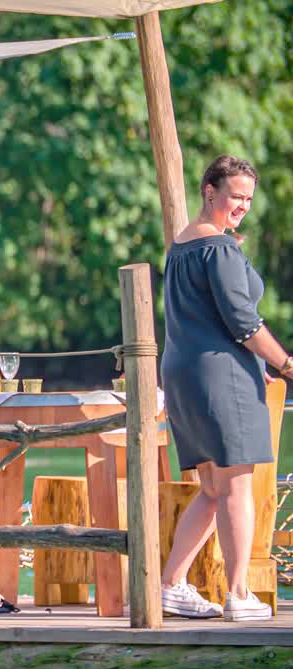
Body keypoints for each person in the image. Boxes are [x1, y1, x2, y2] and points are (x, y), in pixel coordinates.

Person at [160, 154, 293, 622]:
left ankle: (170, 584)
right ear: (209, 191)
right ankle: (238, 594)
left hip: (184, 373)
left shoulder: (180, 246)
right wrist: (286, 362)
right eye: (235, 196)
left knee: (213, 488)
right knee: (236, 486)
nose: (242, 205)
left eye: (248, 199)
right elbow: (243, 323)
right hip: (221, 377)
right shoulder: (218, 249)